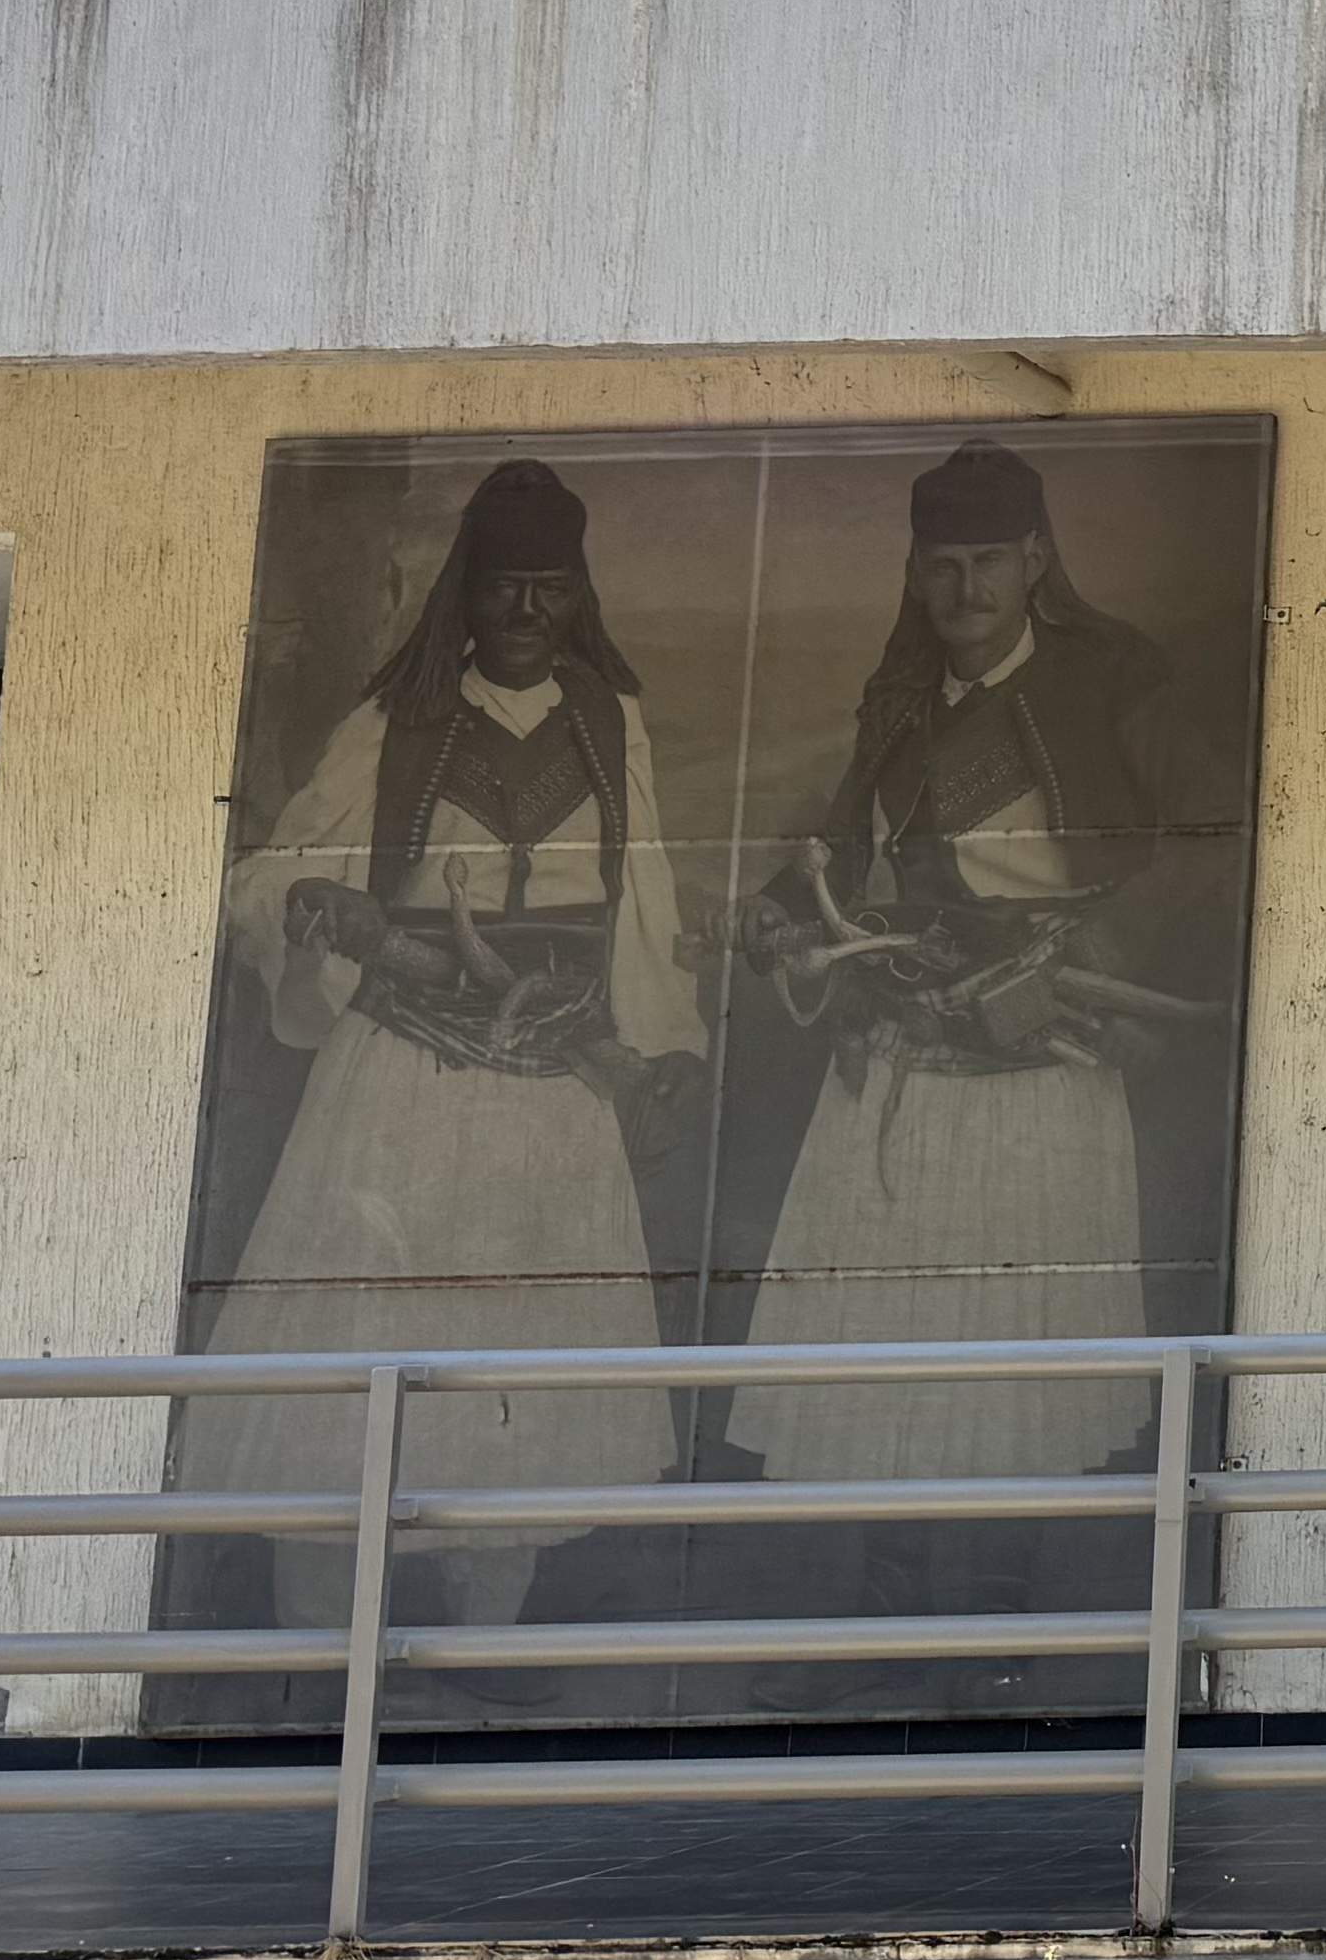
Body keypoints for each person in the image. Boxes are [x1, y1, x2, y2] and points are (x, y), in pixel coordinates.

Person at [199, 454, 699, 1636]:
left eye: (551, 589)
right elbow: (265, 879)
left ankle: (476, 1657)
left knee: (517, 1363)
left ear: (580, 595)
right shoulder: (396, 720)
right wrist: (329, 910)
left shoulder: (608, 721)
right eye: (502, 587)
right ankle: (322, 1653)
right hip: (400, 1084)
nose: (527, 614)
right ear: (462, 592)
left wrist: (657, 1047)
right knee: (363, 1355)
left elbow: (648, 897)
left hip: (553, 1092)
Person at [726, 443, 1215, 1546]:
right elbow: (841, 848)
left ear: (1037, 557)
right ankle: (877, 1644)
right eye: (942, 564)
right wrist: (777, 910)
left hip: (1047, 1057)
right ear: (913, 570)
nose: (967, 590)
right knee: (884, 1351)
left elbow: (1207, 844)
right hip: (902, 1045)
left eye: (991, 560)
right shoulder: (900, 699)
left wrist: (1092, 945)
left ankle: (988, 1647)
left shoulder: (1115, 682)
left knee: (1009, 1365)